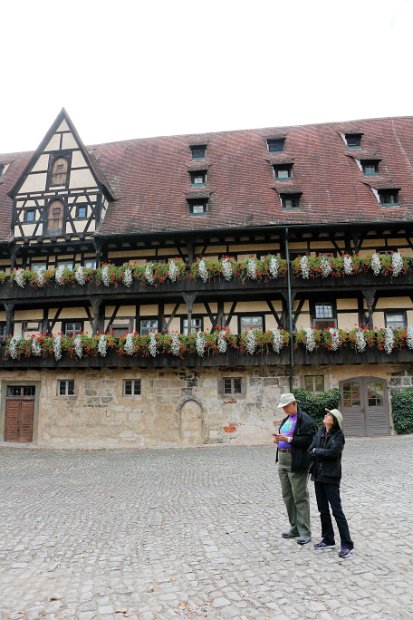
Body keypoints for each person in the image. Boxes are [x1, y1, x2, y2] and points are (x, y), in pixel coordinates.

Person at [308, 408, 354, 559]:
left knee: (337, 511)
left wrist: (317, 451)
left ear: (333, 420)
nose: (325, 416)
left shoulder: (338, 435)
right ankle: (328, 538)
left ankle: (347, 544)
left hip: (331, 477)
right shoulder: (320, 431)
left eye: (328, 415)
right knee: (323, 509)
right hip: (318, 475)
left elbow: (333, 453)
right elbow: (310, 450)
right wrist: (318, 451)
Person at [273, 392, 314, 545]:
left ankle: (305, 531)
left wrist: (287, 439)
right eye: (283, 407)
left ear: (294, 404)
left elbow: (308, 440)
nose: (284, 410)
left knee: (300, 496)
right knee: (287, 496)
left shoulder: (305, 420)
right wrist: (278, 440)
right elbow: (284, 436)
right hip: (282, 461)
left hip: (296, 461)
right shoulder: (286, 419)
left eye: (286, 407)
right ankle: (294, 528)